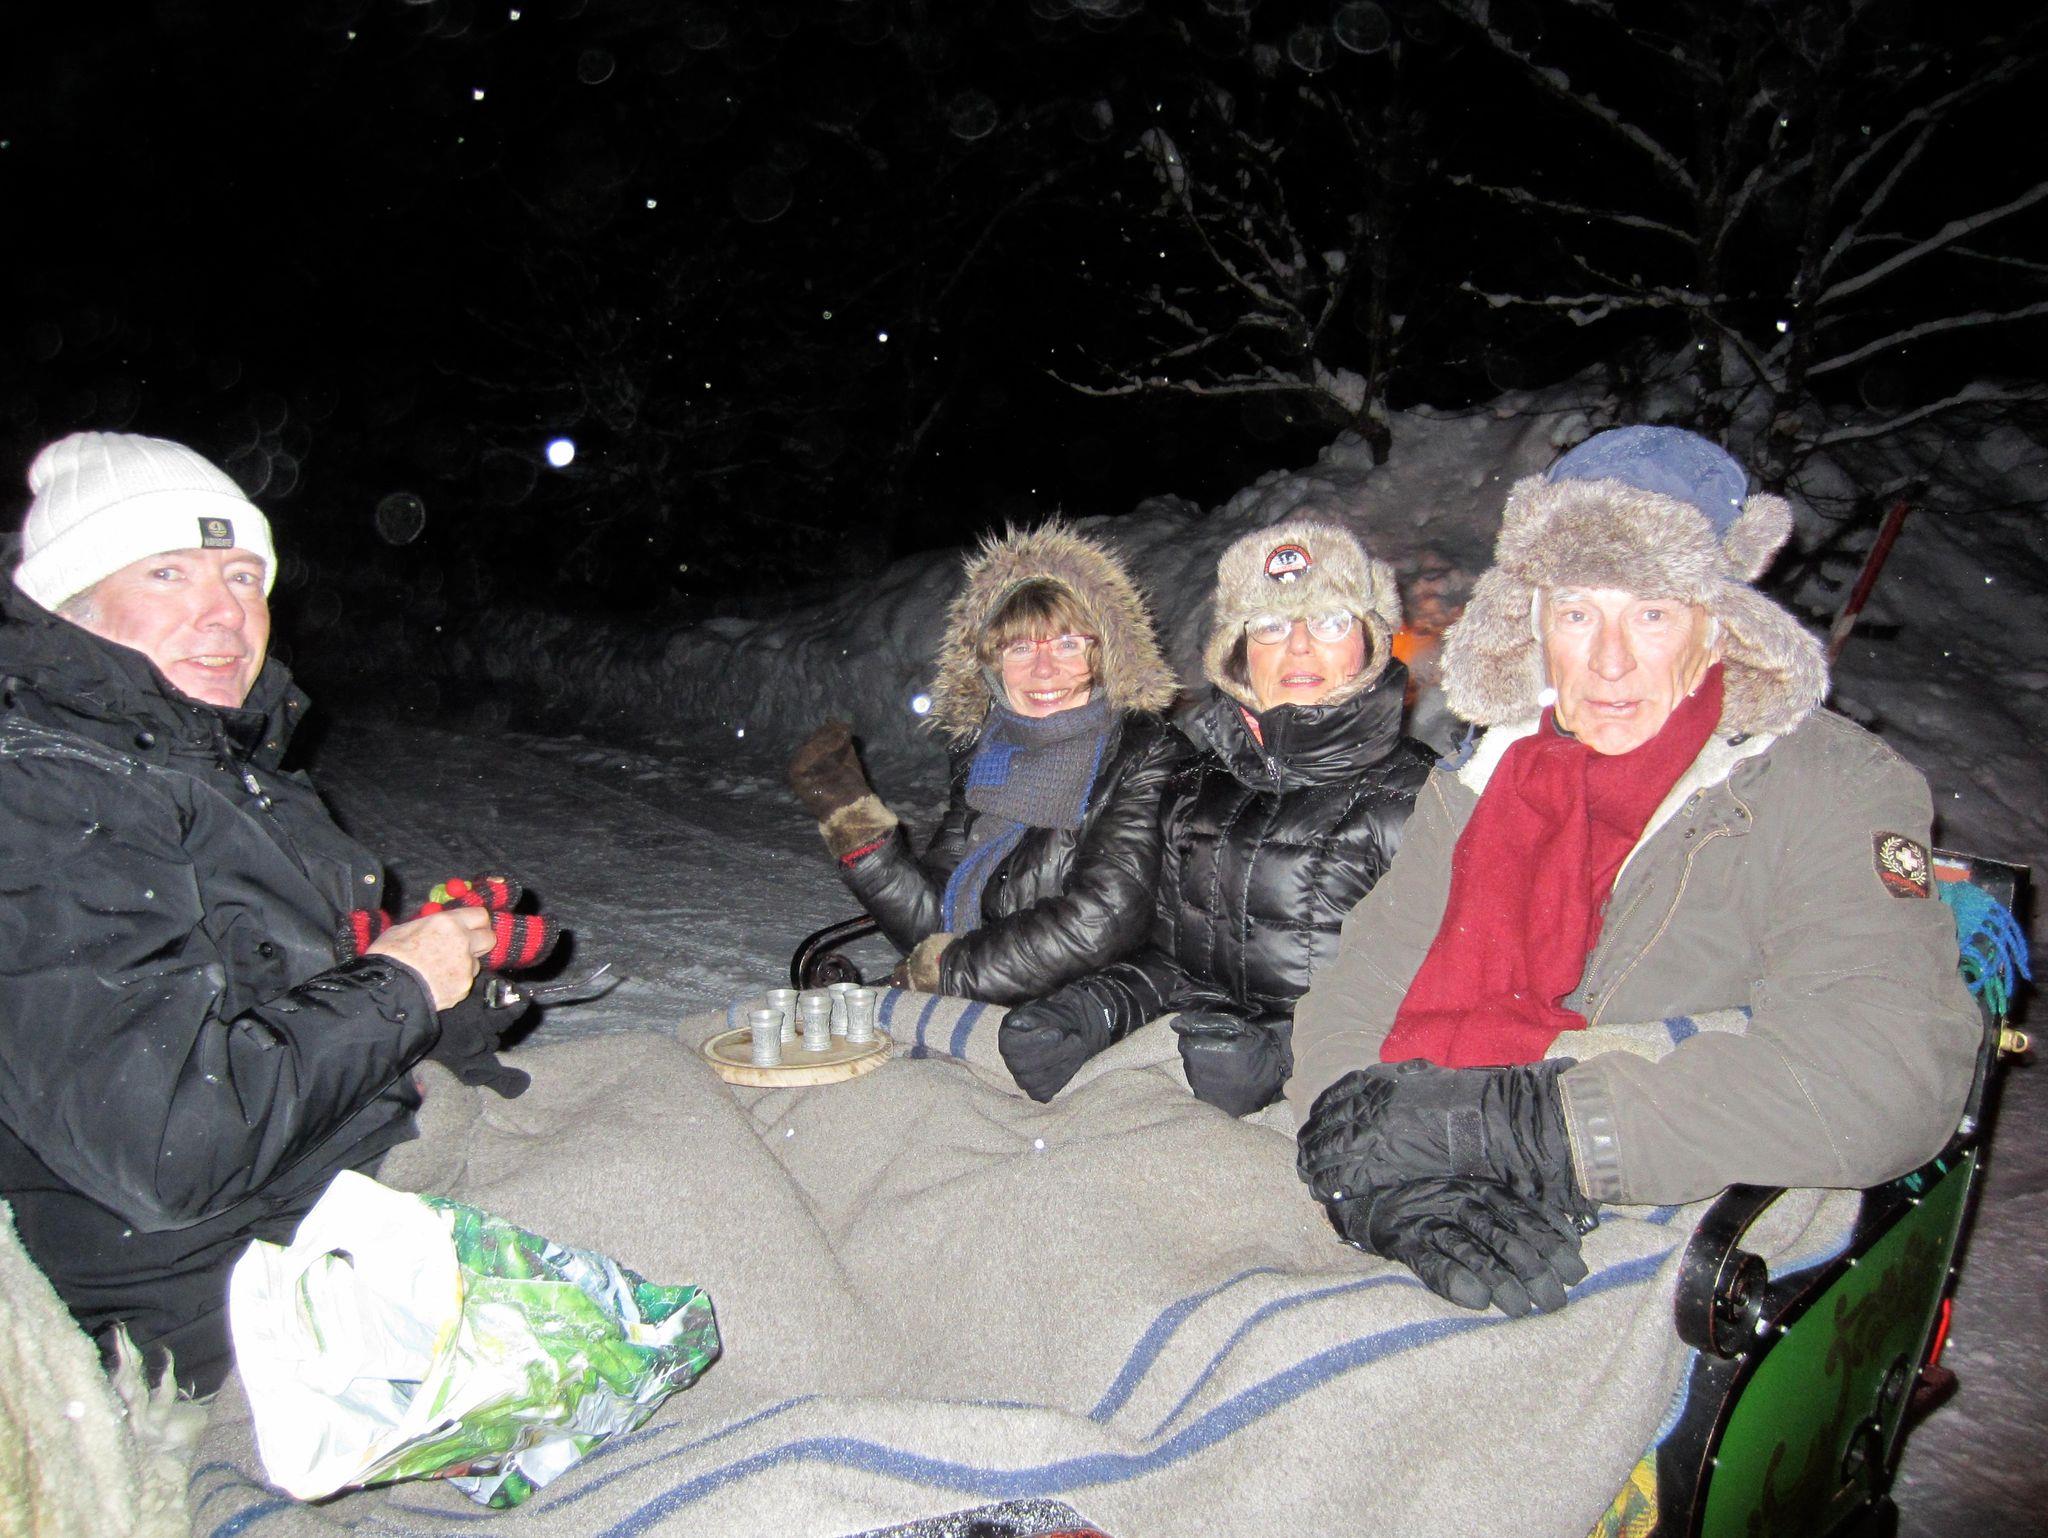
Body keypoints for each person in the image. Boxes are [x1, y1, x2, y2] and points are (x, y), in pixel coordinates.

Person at [1287, 426, 1981, 1318]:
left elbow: (1886, 1073)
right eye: (1578, 614)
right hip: (1446, 1174)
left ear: (1717, 625)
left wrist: (1531, 1128)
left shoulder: (1831, 784)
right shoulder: (1483, 776)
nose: (1609, 661)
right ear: (1536, 626)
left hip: (1662, 1195)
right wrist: (1375, 1175)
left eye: (1652, 613)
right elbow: (1358, 990)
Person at [0, 431, 519, 1394]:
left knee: (707, 1085)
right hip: (238, 1302)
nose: (224, 613)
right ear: (69, 606)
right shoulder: (42, 799)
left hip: (340, 1187)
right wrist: (400, 986)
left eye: (243, 576)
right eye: (167, 572)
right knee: (698, 1177)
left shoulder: (216, 767)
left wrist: (448, 987)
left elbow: (284, 1003)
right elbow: (170, 1144)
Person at [995, 520, 1434, 1106]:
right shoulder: (1197, 788)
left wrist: (1282, 1056)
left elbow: (1438, 1004)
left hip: (1342, 1097)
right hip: (1197, 1065)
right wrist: (1092, 1011)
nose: (1298, 645)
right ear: (1238, 653)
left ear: (1371, 642)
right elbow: (1173, 963)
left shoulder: (1423, 801)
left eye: (1330, 621)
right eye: (1270, 625)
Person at [787, 522, 1182, 1004]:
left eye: (1068, 644)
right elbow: (936, 927)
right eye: (1020, 648)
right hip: (990, 1002)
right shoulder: (990, 756)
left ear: (1107, 654)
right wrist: (857, 831)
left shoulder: (1143, 755)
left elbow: (1101, 921)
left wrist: (949, 973)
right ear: (992, 667)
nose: (1043, 670)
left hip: (1093, 1014)